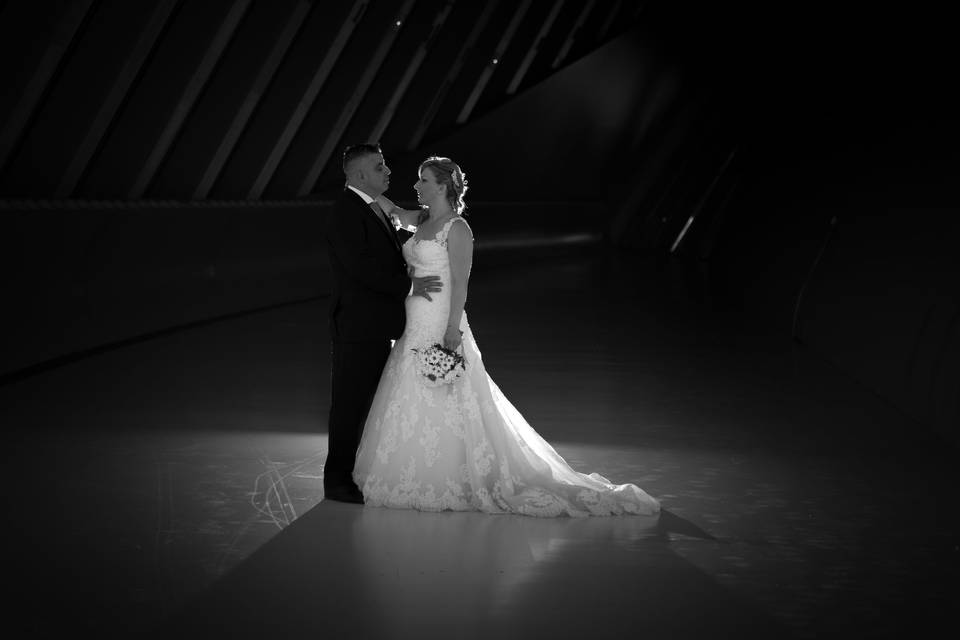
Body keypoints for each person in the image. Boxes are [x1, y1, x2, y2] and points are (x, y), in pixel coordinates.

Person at [352, 156, 660, 517]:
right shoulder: (420, 219)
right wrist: (357, 186)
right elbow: (390, 209)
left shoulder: (457, 228)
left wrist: (452, 329)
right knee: (409, 390)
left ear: (442, 186)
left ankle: (454, 474)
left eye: (423, 180)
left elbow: (460, 284)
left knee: (449, 392)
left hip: (439, 318)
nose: (416, 186)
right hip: (413, 318)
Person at [322, 143, 442, 503]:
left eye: (385, 164)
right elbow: (359, 267)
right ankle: (338, 482)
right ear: (358, 175)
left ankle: (356, 472)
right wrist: (411, 283)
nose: (388, 171)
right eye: (379, 166)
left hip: (377, 325)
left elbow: (397, 222)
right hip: (358, 327)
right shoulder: (346, 211)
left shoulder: (372, 206)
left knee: (367, 405)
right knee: (349, 405)